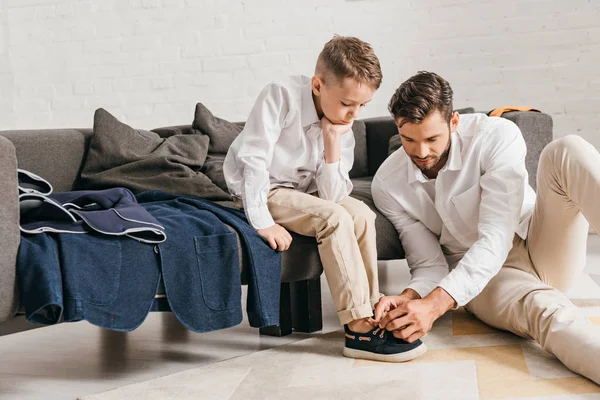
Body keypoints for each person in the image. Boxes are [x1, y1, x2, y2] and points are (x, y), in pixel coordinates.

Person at [372, 70, 600, 382]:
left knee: (567, 150)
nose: (421, 153)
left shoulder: (495, 135)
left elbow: (496, 235)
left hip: (539, 241)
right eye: (409, 139)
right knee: (550, 314)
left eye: (432, 138)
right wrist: (412, 298)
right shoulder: (387, 184)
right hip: (482, 279)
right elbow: (428, 263)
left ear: (454, 122)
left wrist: (434, 307)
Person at [224, 36, 426, 362]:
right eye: (347, 103)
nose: (353, 115)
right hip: (266, 189)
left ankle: (373, 311)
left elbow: (333, 195)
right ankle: (358, 328)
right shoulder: (280, 96)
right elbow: (254, 161)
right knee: (334, 219)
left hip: (306, 192)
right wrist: (262, 221)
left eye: (362, 105)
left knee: (361, 214)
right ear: (318, 85)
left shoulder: (341, 123)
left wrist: (332, 142)